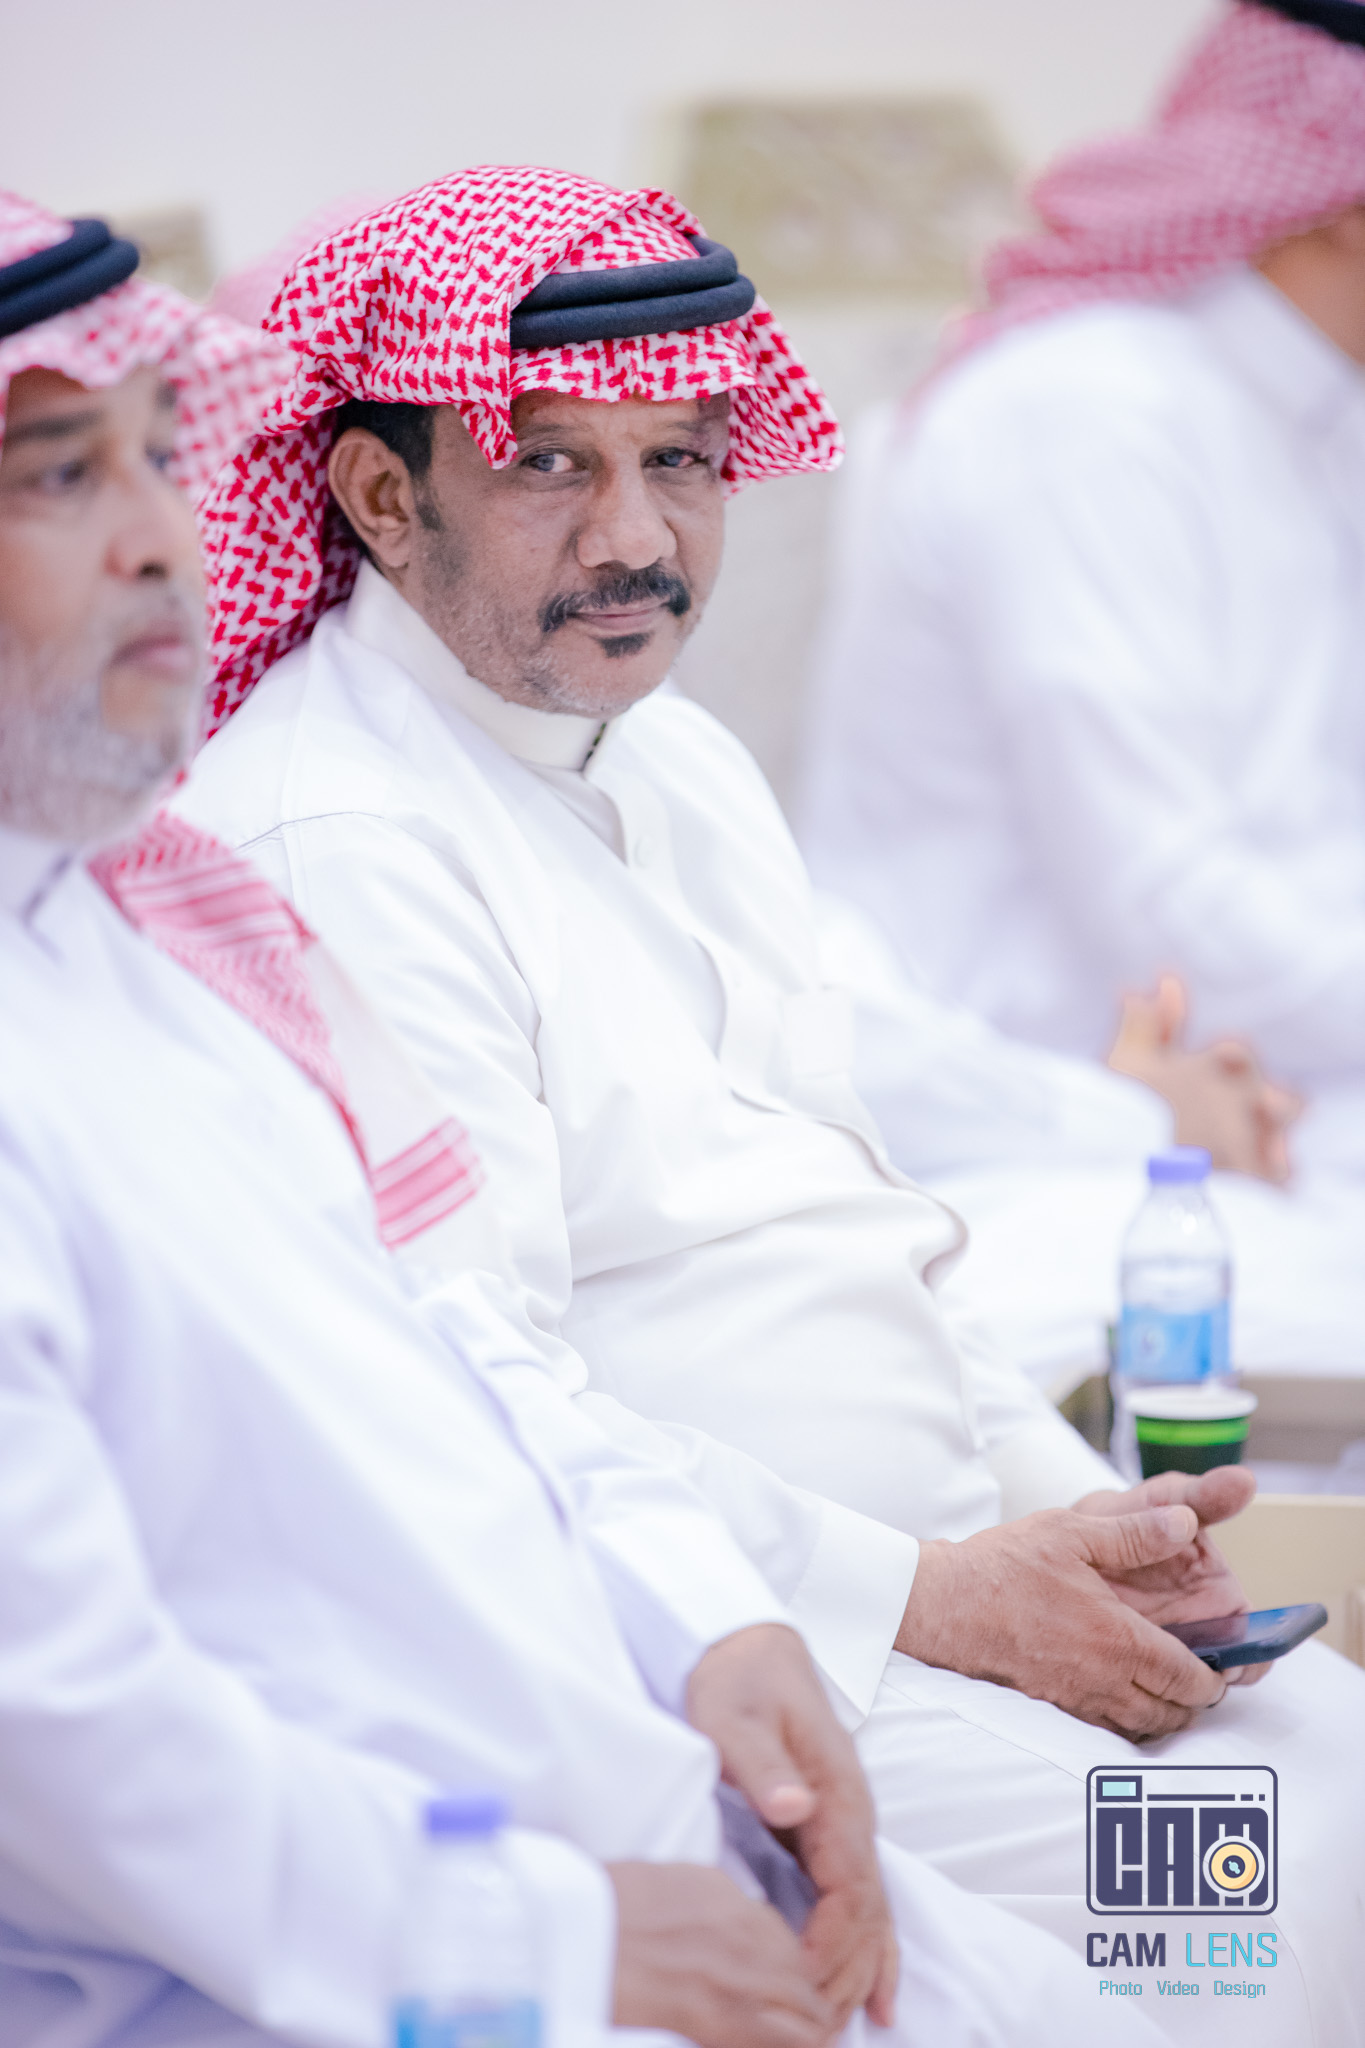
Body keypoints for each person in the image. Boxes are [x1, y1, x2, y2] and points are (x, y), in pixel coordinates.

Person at [181, 170, 1365, 2041]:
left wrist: (1095, 1526)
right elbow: (481, 1406)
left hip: (931, 1589)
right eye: (552, 466)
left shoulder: (679, 759)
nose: (637, 538)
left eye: (682, 461)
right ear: (383, 498)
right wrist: (936, 1597)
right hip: (698, 1648)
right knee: (1243, 1873)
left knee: (1339, 1765)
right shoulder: (340, 838)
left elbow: (857, 1225)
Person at [800, 0, 1365, 1110]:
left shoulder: (1309, 417)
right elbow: (1167, 908)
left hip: (1277, 1088)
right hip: (1029, 1123)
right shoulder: (1087, 414)